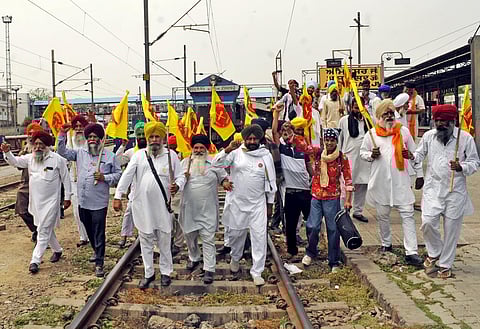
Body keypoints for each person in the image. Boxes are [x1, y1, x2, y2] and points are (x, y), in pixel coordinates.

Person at [113, 121, 185, 289]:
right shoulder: (139, 156)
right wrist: (118, 195)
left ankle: (166, 272)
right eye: (151, 137)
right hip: (142, 207)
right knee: (145, 241)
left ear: (162, 139)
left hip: (163, 207)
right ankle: (149, 273)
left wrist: (178, 185)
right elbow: (126, 176)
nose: (154, 140)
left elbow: (181, 176)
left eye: (157, 137)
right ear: (147, 138)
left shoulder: (170, 155)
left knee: (164, 240)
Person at [412, 104, 479, 278]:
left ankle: (445, 264)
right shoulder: (428, 136)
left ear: (452, 121)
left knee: (452, 230)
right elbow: (419, 155)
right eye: (437, 120)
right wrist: (410, 156)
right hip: (433, 189)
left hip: (455, 191)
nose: (440, 124)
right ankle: (434, 251)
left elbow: (475, 162)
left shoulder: (464, 138)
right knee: (427, 222)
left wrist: (461, 167)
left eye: (443, 121)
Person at [359, 99, 423, 265]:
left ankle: (411, 252)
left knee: (408, 214)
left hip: (401, 181)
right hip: (381, 183)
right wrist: (371, 155)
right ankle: (386, 244)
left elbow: (415, 154)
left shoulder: (403, 132)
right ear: (379, 116)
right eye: (385, 113)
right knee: (382, 216)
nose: (389, 116)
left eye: (391, 113)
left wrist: (418, 170)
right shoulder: (371, 134)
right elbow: (362, 153)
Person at [213, 124, 277, 286]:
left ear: (259, 139)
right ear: (245, 139)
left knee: (259, 237)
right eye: (249, 138)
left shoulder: (265, 155)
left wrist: (269, 204)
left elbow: (271, 182)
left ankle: (257, 271)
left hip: (258, 204)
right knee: (235, 236)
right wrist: (227, 149)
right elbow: (215, 165)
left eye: (255, 138)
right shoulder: (235, 153)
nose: (252, 141)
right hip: (237, 203)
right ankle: (235, 258)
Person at [2, 131, 71, 274]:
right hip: (36, 203)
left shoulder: (57, 159)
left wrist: (68, 197)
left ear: (47, 146)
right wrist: (7, 153)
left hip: (51, 202)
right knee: (44, 227)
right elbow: (15, 162)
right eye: (36, 144)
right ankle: (57, 250)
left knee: (42, 230)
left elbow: (66, 179)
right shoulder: (30, 158)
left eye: (41, 144)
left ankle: (35, 260)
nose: (38, 147)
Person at [58, 123, 122, 277]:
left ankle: (99, 262)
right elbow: (62, 152)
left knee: (99, 232)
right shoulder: (80, 153)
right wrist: (61, 135)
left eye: (95, 137)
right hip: (83, 201)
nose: (92, 139)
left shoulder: (110, 156)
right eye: (90, 137)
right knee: (89, 229)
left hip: (99, 203)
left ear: (101, 139)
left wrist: (104, 177)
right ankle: (96, 250)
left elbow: (119, 175)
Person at [180, 134, 231, 284]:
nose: (198, 150)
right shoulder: (184, 163)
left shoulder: (215, 163)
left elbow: (224, 177)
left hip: (208, 208)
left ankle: (209, 269)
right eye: (196, 147)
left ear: (206, 149)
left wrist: (226, 183)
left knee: (208, 239)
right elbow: (176, 181)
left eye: (202, 147)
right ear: (192, 148)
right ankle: (194, 257)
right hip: (189, 208)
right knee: (190, 236)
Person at [302, 128, 353, 272]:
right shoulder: (318, 153)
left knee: (333, 229)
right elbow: (304, 147)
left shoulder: (342, 158)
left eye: (332, 140)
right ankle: (311, 252)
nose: (329, 143)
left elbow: (348, 180)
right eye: (327, 140)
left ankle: (333, 261)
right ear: (323, 141)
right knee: (313, 226)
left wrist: (348, 200)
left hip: (332, 197)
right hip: (316, 195)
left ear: (336, 141)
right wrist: (293, 134)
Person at [272, 110, 312, 258]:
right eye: (285, 131)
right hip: (290, 191)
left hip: (305, 190)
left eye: (291, 131)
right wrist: (276, 114)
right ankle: (292, 251)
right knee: (290, 223)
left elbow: (308, 166)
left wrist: (314, 180)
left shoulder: (304, 147)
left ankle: (312, 248)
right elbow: (275, 131)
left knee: (312, 223)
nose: (287, 133)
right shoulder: (281, 148)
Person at [338, 96, 371, 223]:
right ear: (352, 108)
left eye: (360, 108)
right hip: (349, 158)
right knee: (347, 185)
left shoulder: (368, 121)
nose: (358, 110)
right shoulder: (344, 121)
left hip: (364, 159)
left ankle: (358, 211)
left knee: (362, 185)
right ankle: (343, 210)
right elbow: (340, 140)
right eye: (356, 107)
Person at [115, 121, 147, 248]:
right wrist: (122, 146)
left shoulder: (153, 150)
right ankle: (124, 237)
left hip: (150, 190)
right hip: (135, 190)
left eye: (143, 134)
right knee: (129, 213)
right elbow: (116, 161)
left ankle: (144, 236)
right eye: (138, 134)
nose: (141, 137)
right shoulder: (130, 152)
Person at [15, 123, 43, 242]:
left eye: (34, 134)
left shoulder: (44, 148)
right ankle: (35, 229)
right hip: (26, 184)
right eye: (30, 134)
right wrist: (24, 152)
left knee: (39, 211)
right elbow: (18, 166)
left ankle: (42, 234)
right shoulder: (26, 149)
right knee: (22, 210)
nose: (31, 136)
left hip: (41, 184)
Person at [66, 114, 90, 247]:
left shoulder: (89, 141)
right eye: (76, 127)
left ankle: (93, 235)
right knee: (77, 210)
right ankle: (83, 236)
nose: (79, 129)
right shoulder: (70, 140)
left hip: (88, 180)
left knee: (90, 209)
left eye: (81, 126)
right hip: (74, 179)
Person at [167, 134, 186, 256]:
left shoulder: (183, 157)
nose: (173, 149)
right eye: (171, 147)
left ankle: (178, 244)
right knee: (168, 219)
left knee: (179, 219)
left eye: (174, 146)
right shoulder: (164, 156)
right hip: (167, 193)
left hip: (179, 192)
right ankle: (168, 241)